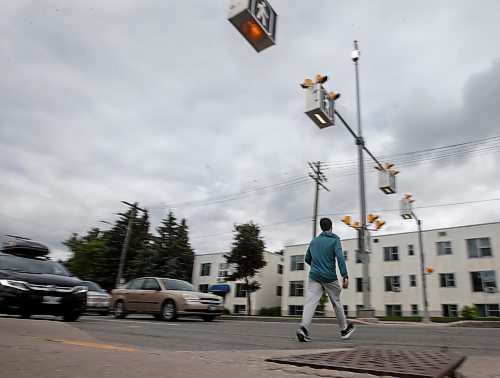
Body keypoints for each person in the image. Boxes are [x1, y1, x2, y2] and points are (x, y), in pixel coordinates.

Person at [296, 217, 355, 342]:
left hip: (314, 276)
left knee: (311, 301)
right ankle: (344, 329)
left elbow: (307, 258)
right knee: (336, 302)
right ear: (331, 227)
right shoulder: (335, 240)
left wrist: (316, 266)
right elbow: (340, 258)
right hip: (329, 277)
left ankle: (303, 328)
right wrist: (345, 276)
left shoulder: (314, 242)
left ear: (321, 228)